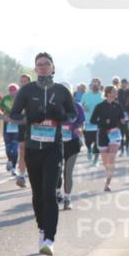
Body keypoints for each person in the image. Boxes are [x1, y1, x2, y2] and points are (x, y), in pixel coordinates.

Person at [8, 52, 76, 256]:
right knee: (37, 194)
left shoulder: (62, 91)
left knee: (49, 193)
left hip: (53, 149)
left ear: (53, 67)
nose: (43, 67)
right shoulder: (27, 91)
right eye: (39, 64)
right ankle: (41, 228)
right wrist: (29, 118)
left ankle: (49, 238)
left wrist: (61, 116)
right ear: (35, 69)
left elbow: (72, 116)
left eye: (47, 64)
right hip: (32, 149)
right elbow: (13, 116)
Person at [92, 85, 126, 192]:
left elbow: (122, 117)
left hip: (115, 134)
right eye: (114, 91)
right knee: (106, 163)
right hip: (102, 134)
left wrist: (122, 121)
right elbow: (93, 120)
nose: (116, 93)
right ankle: (108, 175)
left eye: (116, 91)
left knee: (111, 159)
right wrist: (103, 122)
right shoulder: (100, 106)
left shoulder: (118, 105)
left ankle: (108, 184)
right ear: (108, 93)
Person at [57, 81, 83, 211]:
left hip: (72, 141)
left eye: (66, 91)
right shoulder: (53, 106)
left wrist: (79, 129)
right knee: (56, 171)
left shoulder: (77, 106)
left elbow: (80, 123)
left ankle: (67, 198)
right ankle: (57, 192)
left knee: (68, 171)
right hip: (56, 142)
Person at [81, 78, 105, 165]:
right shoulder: (86, 95)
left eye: (96, 84)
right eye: (93, 84)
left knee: (98, 142)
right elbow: (81, 105)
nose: (95, 85)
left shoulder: (103, 96)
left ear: (99, 85)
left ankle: (96, 159)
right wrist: (83, 108)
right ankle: (89, 149)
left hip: (99, 123)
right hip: (88, 122)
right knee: (88, 140)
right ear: (91, 85)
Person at [0, 84, 21, 174]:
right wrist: (3, 116)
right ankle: (10, 160)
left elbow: (26, 110)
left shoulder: (20, 98)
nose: (13, 92)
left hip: (17, 124)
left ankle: (13, 168)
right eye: (11, 90)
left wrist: (20, 117)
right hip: (7, 124)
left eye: (14, 90)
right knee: (8, 146)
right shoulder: (5, 98)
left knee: (15, 146)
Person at [16, 74, 33, 188]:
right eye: (21, 81)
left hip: (34, 125)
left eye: (25, 81)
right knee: (22, 149)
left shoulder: (35, 93)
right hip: (22, 124)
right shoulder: (18, 95)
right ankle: (22, 174)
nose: (23, 83)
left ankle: (34, 174)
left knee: (33, 152)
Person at [117, 78, 129, 156]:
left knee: (127, 132)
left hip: (128, 114)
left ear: (127, 83)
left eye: (125, 83)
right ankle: (122, 150)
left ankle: (127, 148)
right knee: (121, 133)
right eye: (122, 83)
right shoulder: (118, 92)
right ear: (121, 84)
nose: (124, 84)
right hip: (119, 114)